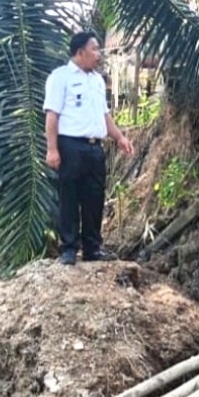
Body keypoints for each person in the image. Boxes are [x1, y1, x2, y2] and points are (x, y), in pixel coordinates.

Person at [44, 31, 135, 265]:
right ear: (80, 52)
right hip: (71, 146)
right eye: (95, 49)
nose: (98, 54)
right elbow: (52, 115)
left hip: (95, 148)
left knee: (94, 198)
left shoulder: (97, 80)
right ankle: (69, 249)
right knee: (70, 197)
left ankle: (93, 248)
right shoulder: (60, 77)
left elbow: (105, 115)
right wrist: (52, 149)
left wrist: (119, 138)